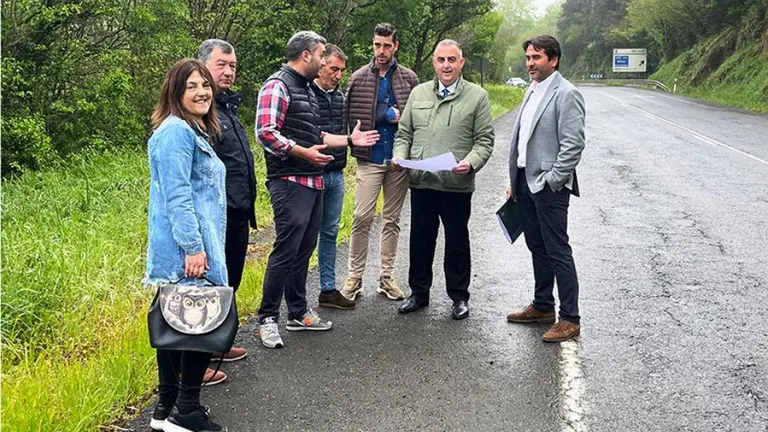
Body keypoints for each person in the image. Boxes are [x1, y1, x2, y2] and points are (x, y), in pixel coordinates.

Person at [255, 31, 379, 349]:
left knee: (303, 251)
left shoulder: (308, 90)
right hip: (289, 182)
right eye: (322, 55)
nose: (325, 62)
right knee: (285, 251)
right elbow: (265, 133)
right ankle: (267, 318)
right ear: (307, 55)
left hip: (314, 181)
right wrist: (302, 153)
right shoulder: (277, 85)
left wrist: (350, 140)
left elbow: (318, 134)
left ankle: (297, 313)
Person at [144, 58, 227, 432]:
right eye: (191, 86)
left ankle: (166, 407)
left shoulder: (190, 131)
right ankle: (187, 410)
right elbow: (177, 196)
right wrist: (194, 247)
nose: (202, 92)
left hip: (189, 247)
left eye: (205, 84)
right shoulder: (176, 132)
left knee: (176, 325)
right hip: (188, 250)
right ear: (175, 92)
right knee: (197, 326)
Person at [392, 39, 494, 320]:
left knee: (457, 241)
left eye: (451, 60)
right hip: (422, 182)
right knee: (420, 239)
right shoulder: (418, 93)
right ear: (434, 63)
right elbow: (404, 134)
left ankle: (459, 296)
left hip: (456, 185)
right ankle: (419, 293)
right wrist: (400, 156)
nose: (446, 65)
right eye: (441, 60)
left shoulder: (477, 96)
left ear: (461, 63)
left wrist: (471, 162)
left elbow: (484, 140)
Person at [504, 35, 586, 343]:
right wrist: (515, 182)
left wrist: (553, 180)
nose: (530, 63)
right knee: (536, 246)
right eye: (528, 57)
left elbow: (573, 144)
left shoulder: (567, 93)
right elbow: (523, 140)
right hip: (525, 183)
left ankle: (570, 318)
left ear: (554, 59)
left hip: (549, 187)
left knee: (557, 249)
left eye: (536, 57)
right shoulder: (532, 90)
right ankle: (542, 306)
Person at [341, 23, 420, 302]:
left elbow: (418, 115)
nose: (381, 50)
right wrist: (385, 112)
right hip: (370, 157)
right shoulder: (359, 77)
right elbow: (350, 115)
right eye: (377, 45)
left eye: (387, 45)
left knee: (391, 219)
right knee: (361, 217)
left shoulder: (409, 78)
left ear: (395, 46)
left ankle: (387, 276)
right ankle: (354, 277)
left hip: (398, 160)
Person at [198, 39, 252, 370]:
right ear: (202, 65)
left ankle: (218, 344)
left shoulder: (227, 107)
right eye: (221, 64)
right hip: (216, 214)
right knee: (209, 286)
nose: (229, 71)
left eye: (232, 65)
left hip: (238, 210)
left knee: (230, 281)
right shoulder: (199, 111)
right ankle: (196, 359)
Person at [309, 44, 356, 309]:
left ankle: (327, 289)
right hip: (311, 174)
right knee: (304, 236)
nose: (338, 75)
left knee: (329, 232)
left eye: (341, 71)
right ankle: (292, 296)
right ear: (320, 65)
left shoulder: (339, 98)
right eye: (333, 69)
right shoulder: (306, 93)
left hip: (336, 173)